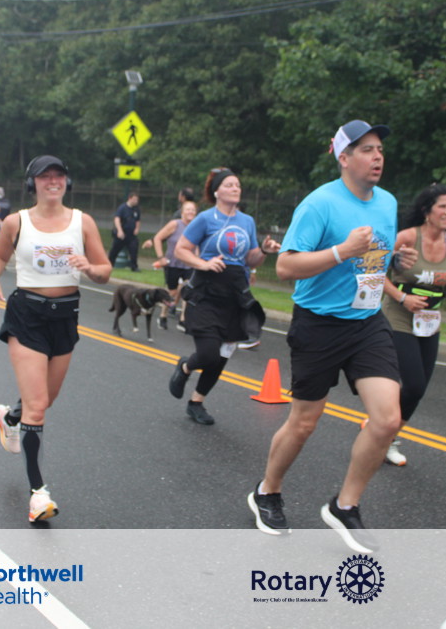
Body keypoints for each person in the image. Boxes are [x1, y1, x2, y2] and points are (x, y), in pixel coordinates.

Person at [247, 120, 417, 552]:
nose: (377, 157)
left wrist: (395, 260)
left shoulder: (387, 202)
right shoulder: (319, 204)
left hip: (367, 322)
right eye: (366, 149)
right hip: (319, 323)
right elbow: (286, 267)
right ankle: (267, 491)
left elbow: (374, 259)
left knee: (387, 419)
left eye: (380, 149)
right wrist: (342, 251)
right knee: (304, 422)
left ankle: (345, 506)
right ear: (344, 157)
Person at [0, 155, 111, 523]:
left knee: (44, 400)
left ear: (67, 182)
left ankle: (10, 418)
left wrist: (90, 268)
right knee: (37, 406)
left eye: (59, 176)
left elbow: (104, 271)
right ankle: (38, 494)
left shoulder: (83, 222)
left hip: (66, 316)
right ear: (32, 183)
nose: (53, 182)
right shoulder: (16, 221)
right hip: (27, 315)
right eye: (45, 177)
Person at [375, 183, 446, 465]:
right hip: (399, 316)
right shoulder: (407, 237)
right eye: (442, 206)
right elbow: (376, 273)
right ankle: (384, 436)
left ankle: (385, 435)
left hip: (430, 321)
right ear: (426, 211)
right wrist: (403, 298)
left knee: (417, 390)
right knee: (414, 384)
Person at [168, 168, 280, 425]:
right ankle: (185, 366)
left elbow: (250, 259)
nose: (235, 188)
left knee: (222, 356)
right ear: (217, 191)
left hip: (235, 296)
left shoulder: (247, 221)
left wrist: (264, 250)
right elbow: (182, 249)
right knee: (208, 353)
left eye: (237, 184)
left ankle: (196, 402)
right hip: (206, 293)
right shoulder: (205, 219)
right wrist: (204, 263)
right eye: (229, 185)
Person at [143, 199, 198, 330]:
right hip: (173, 263)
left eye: (193, 210)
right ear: (182, 212)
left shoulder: (197, 226)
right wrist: (161, 257)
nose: (190, 212)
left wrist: (198, 260)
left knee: (187, 290)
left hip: (189, 264)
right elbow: (158, 238)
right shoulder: (175, 224)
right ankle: (163, 315)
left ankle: (183, 320)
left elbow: (198, 245)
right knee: (172, 292)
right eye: (188, 209)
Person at [107, 191, 141, 271]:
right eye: (134, 199)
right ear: (130, 198)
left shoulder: (136, 209)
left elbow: (138, 220)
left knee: (134, 249)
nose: (136, 201)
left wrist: (137, 229)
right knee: (114, 250)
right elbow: (117, 219)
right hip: (122, 233)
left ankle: (134, 267)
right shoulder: (122, 208)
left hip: (131, 234)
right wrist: (119, 230)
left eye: (137, 200)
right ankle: (109, 264)